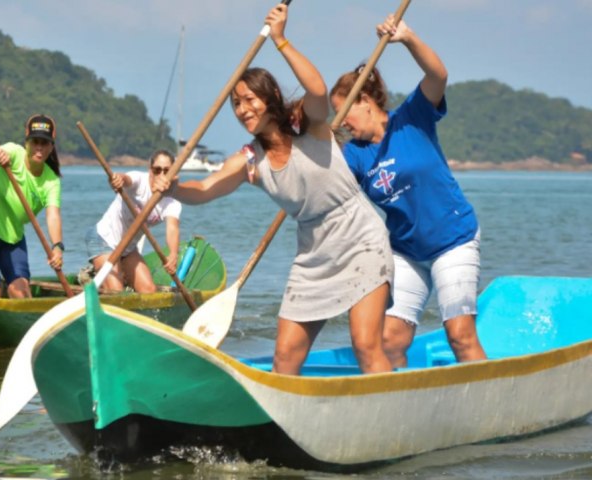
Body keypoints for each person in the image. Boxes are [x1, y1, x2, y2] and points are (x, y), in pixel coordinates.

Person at [165, 4, 394, 376]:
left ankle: (391, 423)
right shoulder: (249, 160)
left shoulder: (307, 122)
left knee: (366, 345)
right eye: (235, 104)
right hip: (313, 252)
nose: (242, 109)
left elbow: (318, 89)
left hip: (359, 237)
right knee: (285, 359)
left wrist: (281, 40)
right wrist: (172, 188)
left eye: (248, 99)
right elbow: (205, 188)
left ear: (269, 96)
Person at [329, 15, 487, 368]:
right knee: (388, 341)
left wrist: (408, 38)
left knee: (460, 334)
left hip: (453, 238)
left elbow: (438, 76)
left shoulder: (412, 117)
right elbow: (328, 191)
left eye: (342, 113)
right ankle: (400, 406)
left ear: (366, 101)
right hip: (407, 251)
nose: (340, 123)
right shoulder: (353, 155)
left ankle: (491, 406)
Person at [0, 114, 65, 298]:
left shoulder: (51, 181)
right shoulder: (13, 152)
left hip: (13, 240)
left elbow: (53, 215)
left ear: (52, 146)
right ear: (27, 142)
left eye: (45, 142)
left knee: (22, 293)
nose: (39, 147)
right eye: (35, 141)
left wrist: (57, 247)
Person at [85, 149, 181, 293]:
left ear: (173, 175)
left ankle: (115, 273)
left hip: (128, 249)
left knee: (149, 291)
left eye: (166, 171)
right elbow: (125, 179)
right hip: (103, 239)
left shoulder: (172, 203)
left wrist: (173, 254)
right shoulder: (139, 180)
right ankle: (97, 276)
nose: (161, 175)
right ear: (150, 170)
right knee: (116, 292)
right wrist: (117, 179)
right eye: (157, 170)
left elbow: (172, 228)